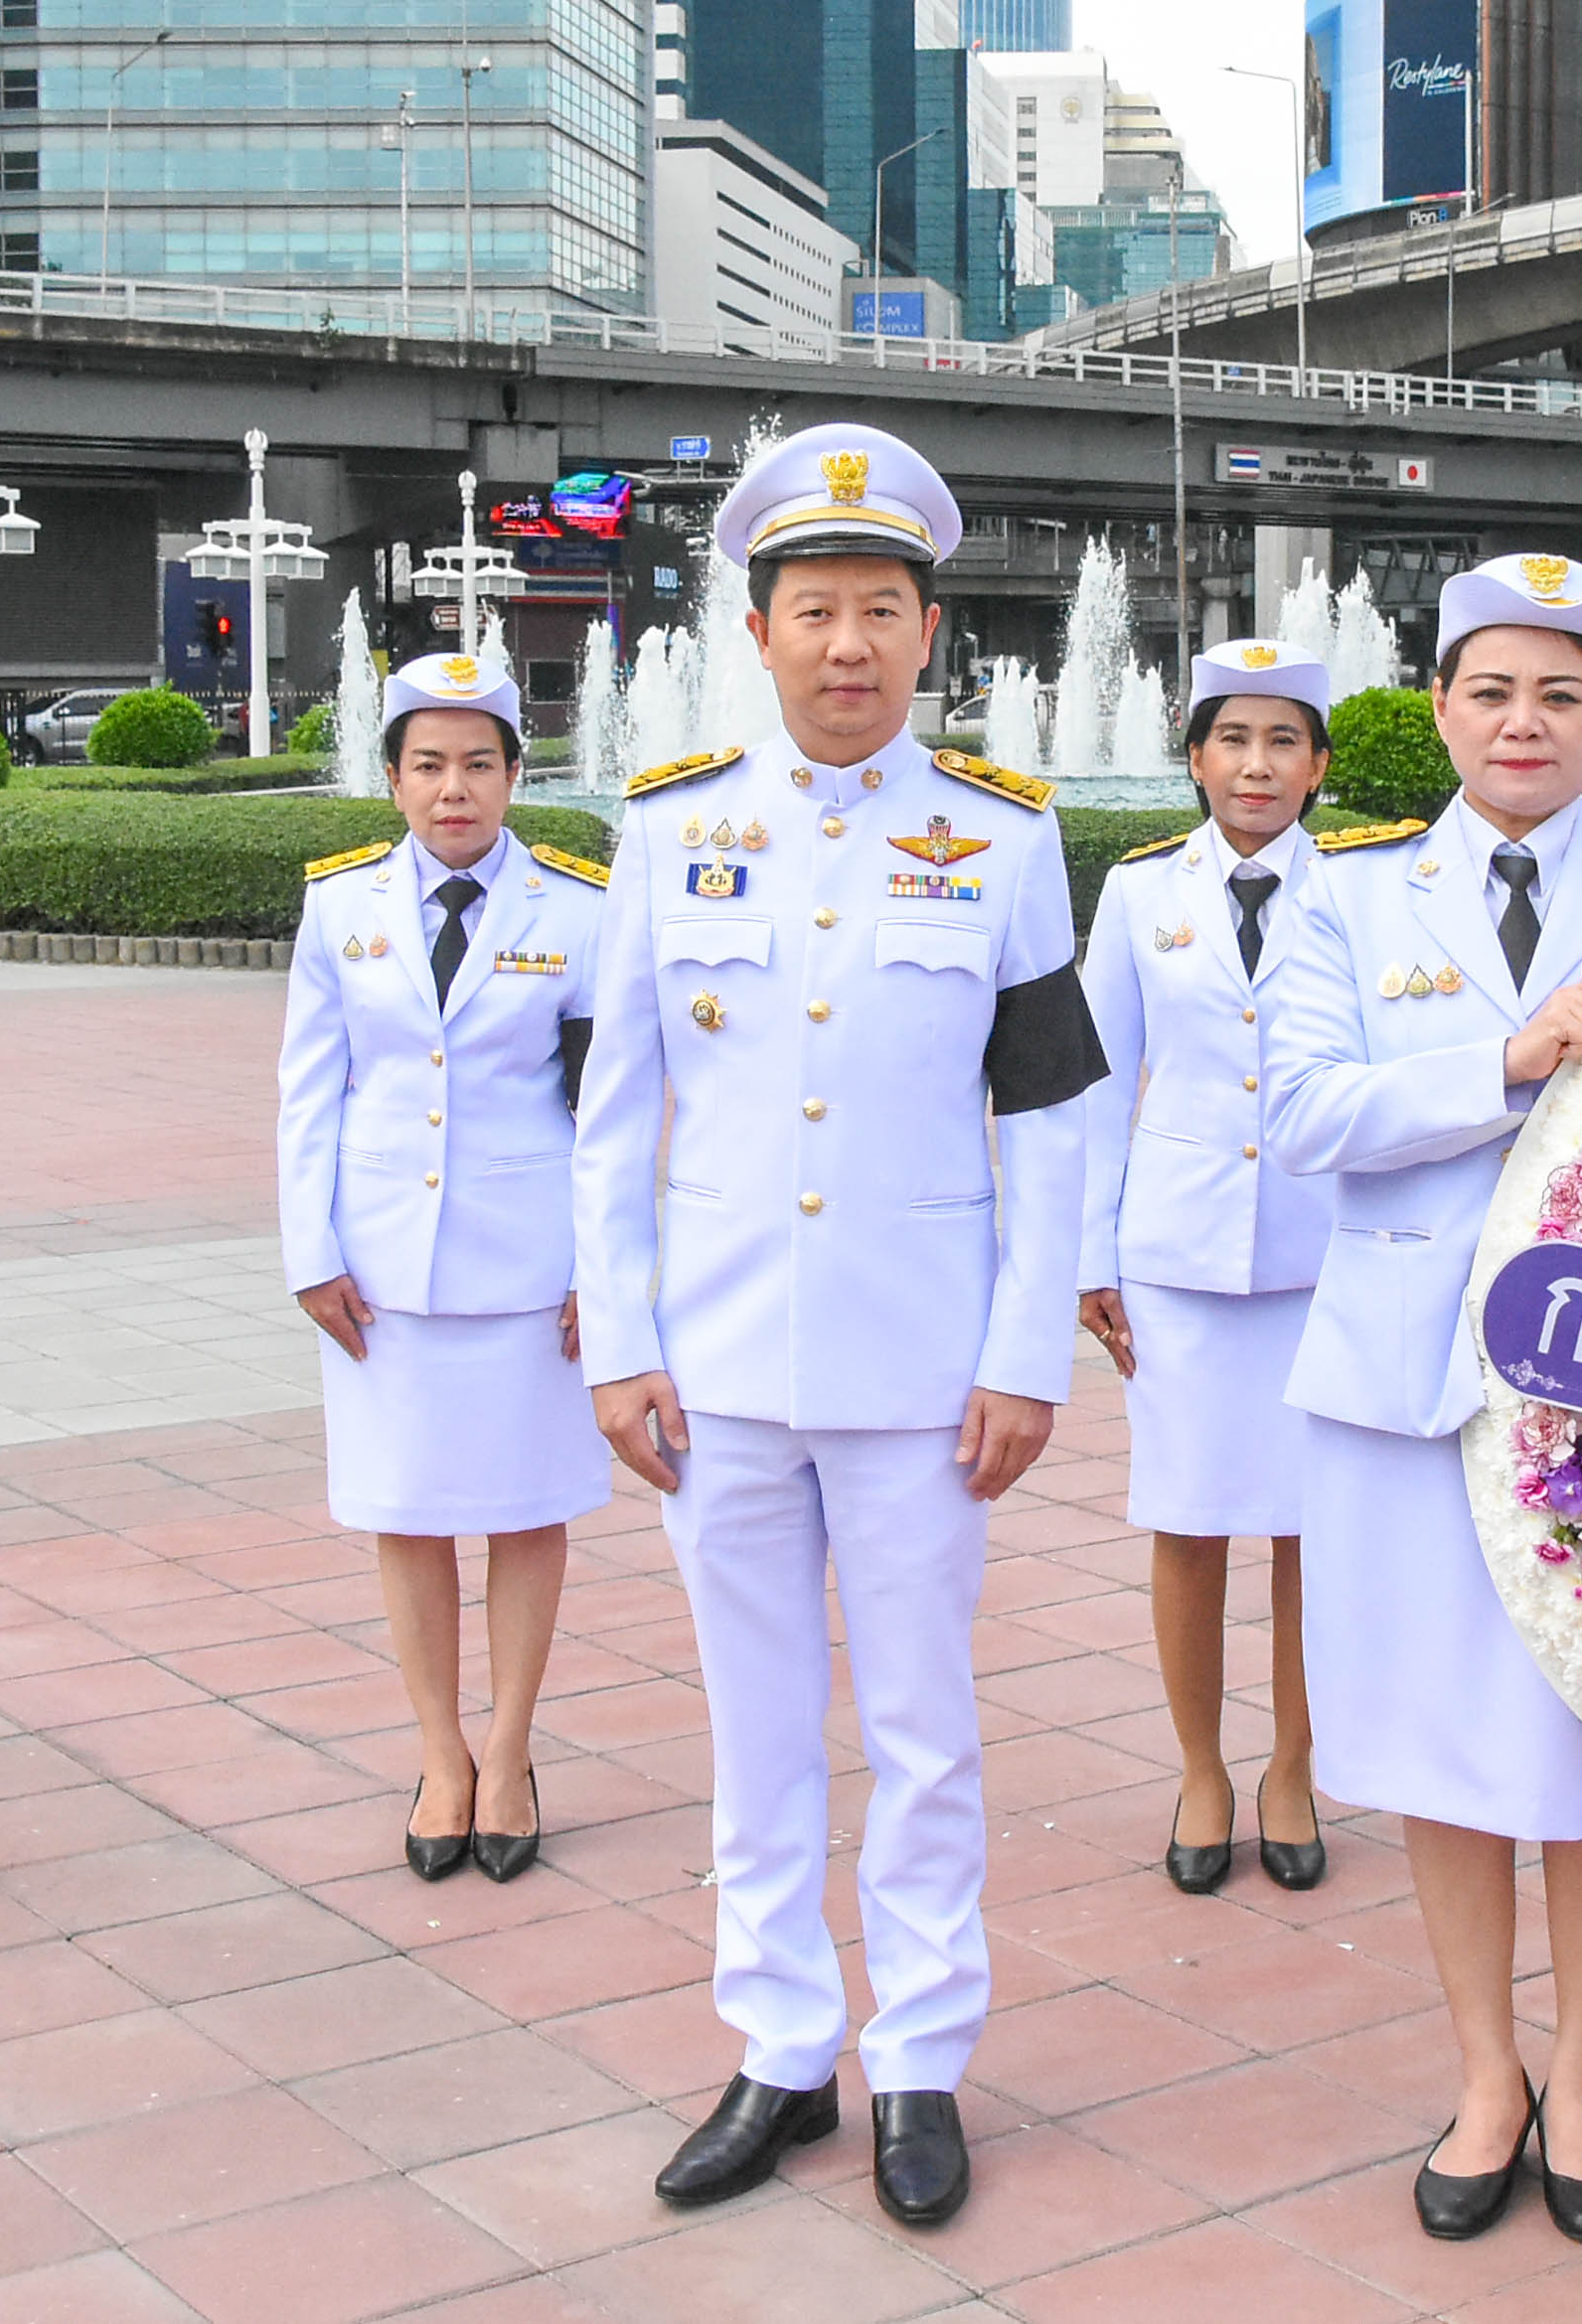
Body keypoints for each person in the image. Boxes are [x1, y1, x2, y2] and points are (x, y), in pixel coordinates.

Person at [573, 422, 1107, 2227]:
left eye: (883, 609)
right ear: (759, 623)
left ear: (929, 630)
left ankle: (927, 2059)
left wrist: (1026, 1347)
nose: (850, 644)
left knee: (927, 1728)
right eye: (817, 609)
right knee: (753, 1721)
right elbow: (608, 1117)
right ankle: (782, 2048)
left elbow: (1048, 1120)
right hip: (713, 1368)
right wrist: (617, 1341)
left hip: (919, 1366)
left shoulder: (1003, 838)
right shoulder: (665, 825)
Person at [1264, 550, 1582, 2247]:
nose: (1523, 722)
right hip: (1407, 1375)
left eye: (1561, 692)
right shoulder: (1350, 891)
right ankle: (1482, 2069)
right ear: (1440, 707)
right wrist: (1508, 1062)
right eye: (1489, 690)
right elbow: (1308, 1113)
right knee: (1447, 1747)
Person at [280, 651, 608, 1886]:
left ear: (518, 774)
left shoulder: (578, 909)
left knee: (526, 1509)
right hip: (378, 1269)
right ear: (393, 777)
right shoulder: (341, 905)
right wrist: (309, 1250)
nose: (453, 789)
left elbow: (609, 1110)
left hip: (532, 1267)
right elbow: (309, 1092)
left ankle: (512, 1748)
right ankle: (439, 1754)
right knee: (405, 1511)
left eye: (479, 763)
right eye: (429, 764)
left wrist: (606, 1270)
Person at [1078, 638, 1339, 1896]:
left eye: (1282, 740)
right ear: (1193, 757)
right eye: (1232, 739)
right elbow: (1093, 1084)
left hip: (1318, 1248)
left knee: (1306, 1529)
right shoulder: (1139, 894)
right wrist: (1086, 1255)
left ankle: (1291, 1763)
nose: (1255, 764)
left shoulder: (1357, 889)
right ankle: (1200, 1767)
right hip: (1176, 1249)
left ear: (1317, 765)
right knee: (1184, 1522)